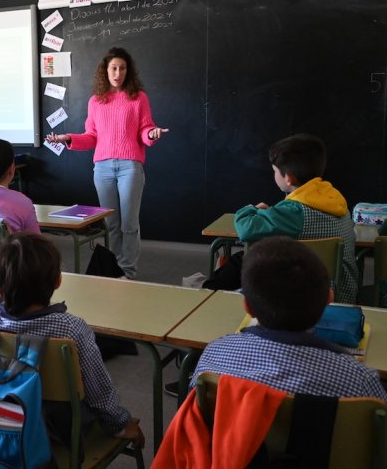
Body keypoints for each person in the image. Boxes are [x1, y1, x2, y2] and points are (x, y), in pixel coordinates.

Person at [0, 232, 144, 449]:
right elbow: (99, 393)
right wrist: (120, 425)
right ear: (58, 281)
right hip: (57, 434)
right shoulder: (72, 328)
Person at [192, 236, 386, 399]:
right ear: (329, 300)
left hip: (236, 444)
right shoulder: (359, 380)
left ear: (247, 307)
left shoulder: (212, 357)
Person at [47, 47, 168, 280]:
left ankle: (129, 273)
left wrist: (151, 134)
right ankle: (114, 270)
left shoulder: (138, 98)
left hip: (130, 166)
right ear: (106, 70)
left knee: (129, 224)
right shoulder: (96, 101)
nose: (118, 73)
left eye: (122, 68)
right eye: (114, 68)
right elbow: (91, 136)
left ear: (128, 71)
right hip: (102, 168)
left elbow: (144, 130)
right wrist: (68, 138)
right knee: (111, 224)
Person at [234, 133, 358, 303]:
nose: (274, 175)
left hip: (300, 299)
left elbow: (246, 228)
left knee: (249, 259)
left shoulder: (294, 212)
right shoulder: (335, 199)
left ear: (289, 178)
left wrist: (250, 209)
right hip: (343, 295)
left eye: (275, 171)